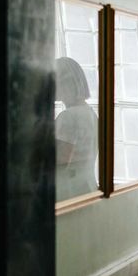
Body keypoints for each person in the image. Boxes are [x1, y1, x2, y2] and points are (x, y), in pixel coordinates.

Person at [55, 56, 99, 202]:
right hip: (88, 188)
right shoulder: (90, 113)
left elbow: (61, 161)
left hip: (68, 194)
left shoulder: (67, 117)